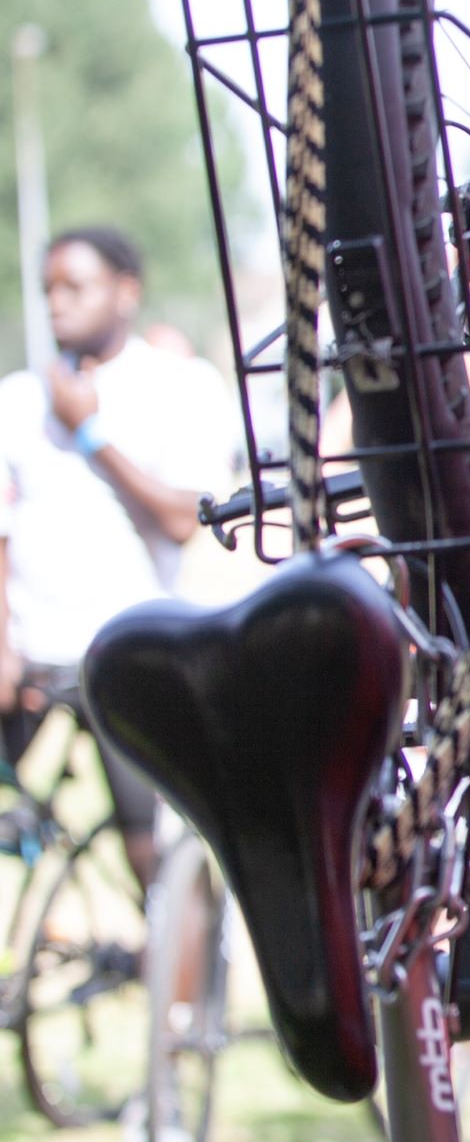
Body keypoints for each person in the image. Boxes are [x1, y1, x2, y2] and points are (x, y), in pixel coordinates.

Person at [0, 226, 234, 888]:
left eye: (74, 287)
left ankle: (173, 971)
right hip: (32, 656)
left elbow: (183, 518)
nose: (56, 305)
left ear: (126, 292)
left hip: (125, 650)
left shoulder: (177, 386)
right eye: (47, 290)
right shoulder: (18, 398)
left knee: (149, 856)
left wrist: (91, 432)